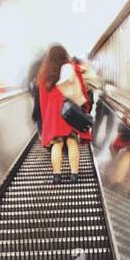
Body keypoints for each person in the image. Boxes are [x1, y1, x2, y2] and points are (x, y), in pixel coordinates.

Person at [36, 43, 100, 179]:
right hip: (70, 109)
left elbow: (42, 100)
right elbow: (81, 90)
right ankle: (74, 174)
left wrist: (46, 119)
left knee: (57, 144)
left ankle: (57, 175)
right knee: (72, 141)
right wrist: (85, 108)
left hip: (53, 113)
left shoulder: (44, 74)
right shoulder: (71, 69)